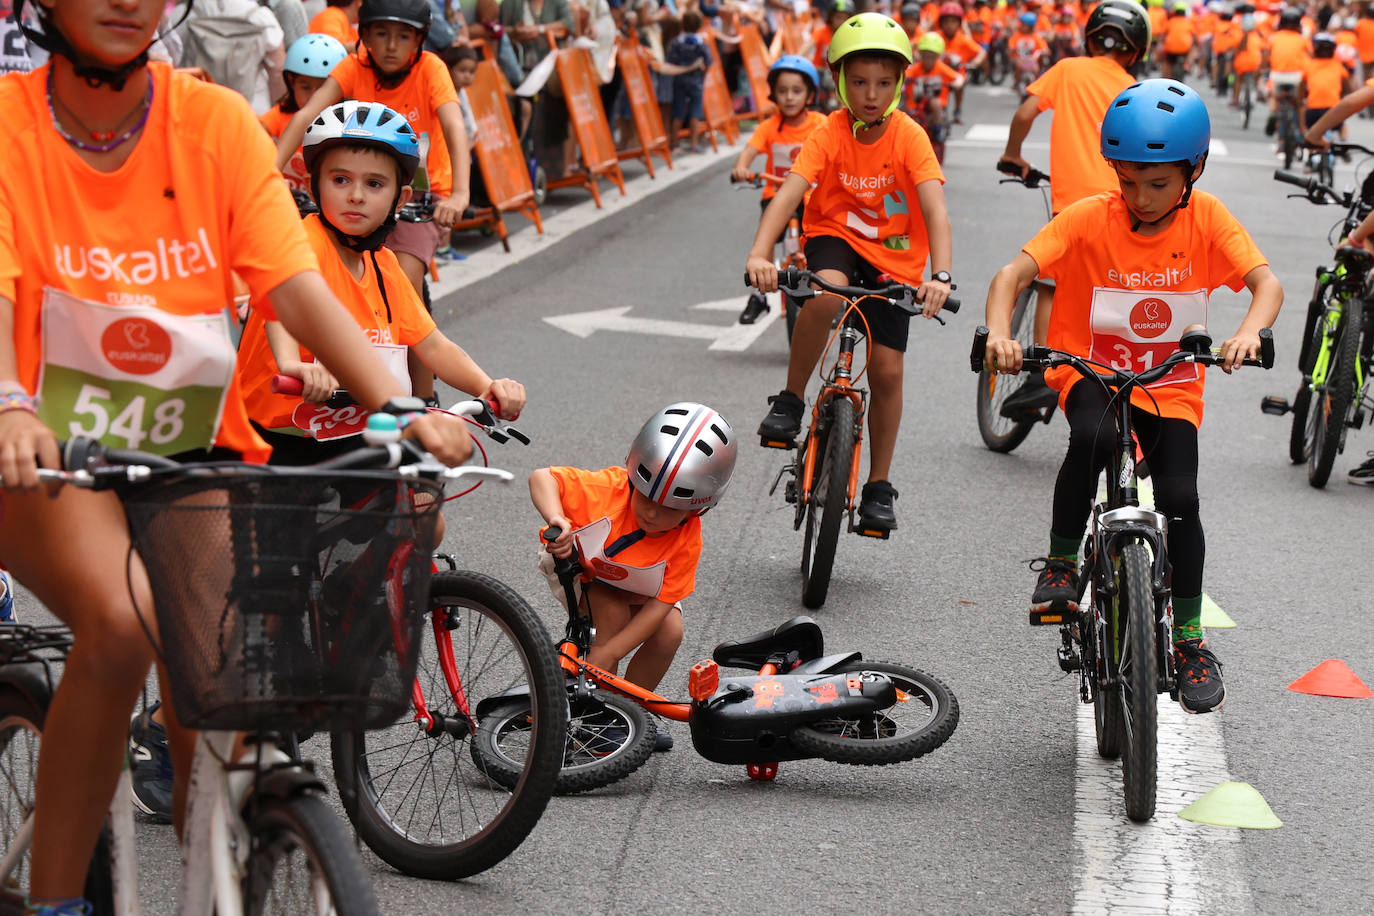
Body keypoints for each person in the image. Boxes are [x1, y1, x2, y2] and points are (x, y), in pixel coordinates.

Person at [0, 1, 470, 911]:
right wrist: (13, 406)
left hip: (193, 452)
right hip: (44, 452)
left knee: (220, 699)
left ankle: (220, 851)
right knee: (125, 618)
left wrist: (398, 404)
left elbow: (293, 283)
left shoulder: (211, 121)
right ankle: (58, 896)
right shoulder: (9, 127)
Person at [982, 79, 1282, 714]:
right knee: (1089, 437)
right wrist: (1003, 336)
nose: (1140, 199)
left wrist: (1250, 331)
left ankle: (1191, 641)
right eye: (1128, 182)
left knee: (1180, 497)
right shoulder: (1091, 216)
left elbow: (1265, 282)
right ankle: (1063, 564)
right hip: (1089, 370)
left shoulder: (1208, 219)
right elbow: (1014, 274)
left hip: (1169, 382)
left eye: (1158, 184)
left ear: (1192, 170)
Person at [746, 12, 953, 533]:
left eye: (884, 83)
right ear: (840, 81)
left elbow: (936, 212)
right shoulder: (827, 132)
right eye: (858, 82)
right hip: (835, 240)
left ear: (900, 84)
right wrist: (759, 253)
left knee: (887, 372)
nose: (871, 94)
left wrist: (941, 277)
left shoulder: (911, 136)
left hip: (895, 260)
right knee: (825, 295)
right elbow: (789, 192)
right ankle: (792, 400)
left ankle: (878, 486)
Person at [238, 100, 524, 467]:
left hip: (352, 431)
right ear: (316, 185)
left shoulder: (384, 264)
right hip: (274, 435)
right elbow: (282, 303)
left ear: (400, 198)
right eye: (340, 180)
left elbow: (433, 346)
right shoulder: (301, 241)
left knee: (421, 512)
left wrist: (488, 387)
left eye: (374, 183)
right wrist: (293, 365)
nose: (355, 195)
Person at [275, 0, 473, 403]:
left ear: (420, 41)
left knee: (403, 275)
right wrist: (266, 175)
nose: (390, 46)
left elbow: (454, 125)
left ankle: (422, 397)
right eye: (380, 34)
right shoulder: (352, 67)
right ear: (363, 36)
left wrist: (460, 195)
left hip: (422, 195)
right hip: (361, 186)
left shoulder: (431, 69)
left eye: (403, 36)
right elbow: (305, 114)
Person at [530, 403, 737, 752]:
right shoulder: (607, 490)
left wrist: (611, 652)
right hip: (586, 570)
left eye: (671, 507)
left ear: (699, 507)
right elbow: (542, 477)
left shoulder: (688, 539)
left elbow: (663, 604)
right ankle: (597, 719)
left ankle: (629, 714)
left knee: (670, 631)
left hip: (642, 590)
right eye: (645, 497)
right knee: (610, 616)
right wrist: (558, 519)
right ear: (632, 478)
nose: (653, 513)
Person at [997, 0, 1148, 410]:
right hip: (1128, 200)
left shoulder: (1066, 70)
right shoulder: (1132, 88)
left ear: (1091, 38)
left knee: (1049, 279)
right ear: (1135, 51)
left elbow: (1027, 112)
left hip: (1076, 205)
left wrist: (1013, 154)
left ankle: (1042, 374)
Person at [732, 54, 827, 324]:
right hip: (775, 195)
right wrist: (741, 167)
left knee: (822, 239)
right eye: (782, 91)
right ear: (773, 94)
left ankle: (825, 289)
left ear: (810, 94)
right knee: (767, 239)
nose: (789, 97)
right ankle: (760, 295)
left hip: (809, 195)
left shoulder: (820, 123)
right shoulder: (769, 126)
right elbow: (749, 151)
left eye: (797, 91)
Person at [260, 32, 349, 193]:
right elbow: (254, 134)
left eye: (322, 88)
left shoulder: (347, 124)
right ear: (292, 82)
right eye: (305, 87)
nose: (314, 96)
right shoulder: (280, 115)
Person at [905, 31, 963, 157]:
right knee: (905, 112)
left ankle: (937, 130)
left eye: (931, 56)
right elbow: (904, 75)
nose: (927, 60)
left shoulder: (941, 68)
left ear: (937, 56)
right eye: (925, 56)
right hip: (916, 100)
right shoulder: (916, 68)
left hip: (934, 101)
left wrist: (956, 83)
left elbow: (957, 77)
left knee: (935, 103)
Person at [666, 10, 712, 153]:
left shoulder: (676, 42)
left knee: (677, 111)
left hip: (679, 80)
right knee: (695, 112)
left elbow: (670, 60)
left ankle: (674, 143)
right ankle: (693, 144)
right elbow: (709, 60)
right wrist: (703, 72)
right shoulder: (700, 43)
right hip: (696, 81)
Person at [934, 1, 985, 121]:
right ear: (941, 23)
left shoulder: (963, 39)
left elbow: (981, 52)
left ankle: (957, 108)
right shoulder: (936, 37)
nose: (949, 25)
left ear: (959, 24)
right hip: (939, 72)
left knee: (959, 85)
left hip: (958, 72)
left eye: (953, 21)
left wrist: (975, 63)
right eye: (946, 21)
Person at [1009, 10, 1049, 93]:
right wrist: (1013, 50)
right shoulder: (1017, 36)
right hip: (1020, 59)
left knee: (1036, 69)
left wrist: (1043, 51)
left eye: (1024, 25)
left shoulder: (1036, 37)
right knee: (1017, 66)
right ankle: (1017, 82)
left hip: (1032, 60)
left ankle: (1036, 84)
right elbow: (1011, 46)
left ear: (1031, 26)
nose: (1022, 26)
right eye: (1022, 24)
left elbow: (1045, 48)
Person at [1159, 0, 1193, 79]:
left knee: (1167, 63)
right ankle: (1187, 64)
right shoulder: (1188, 23)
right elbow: (1194, 37)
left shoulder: (1170, 22)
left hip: (1170, 49)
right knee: (1192, 50)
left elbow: (1162, 36)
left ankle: (1165, 78)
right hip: (1184, 50)